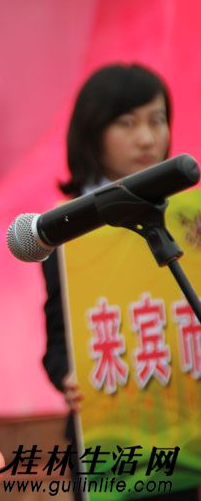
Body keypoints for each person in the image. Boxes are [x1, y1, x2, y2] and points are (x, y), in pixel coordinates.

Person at [40, 62, 198, 500]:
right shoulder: (66, 228)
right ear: (93, 135)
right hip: (113, 445)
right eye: (127, 123)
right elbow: (56, 341)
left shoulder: (188, 218)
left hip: (188, 434)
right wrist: (67, 376)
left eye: (157, 120)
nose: (147, 138)